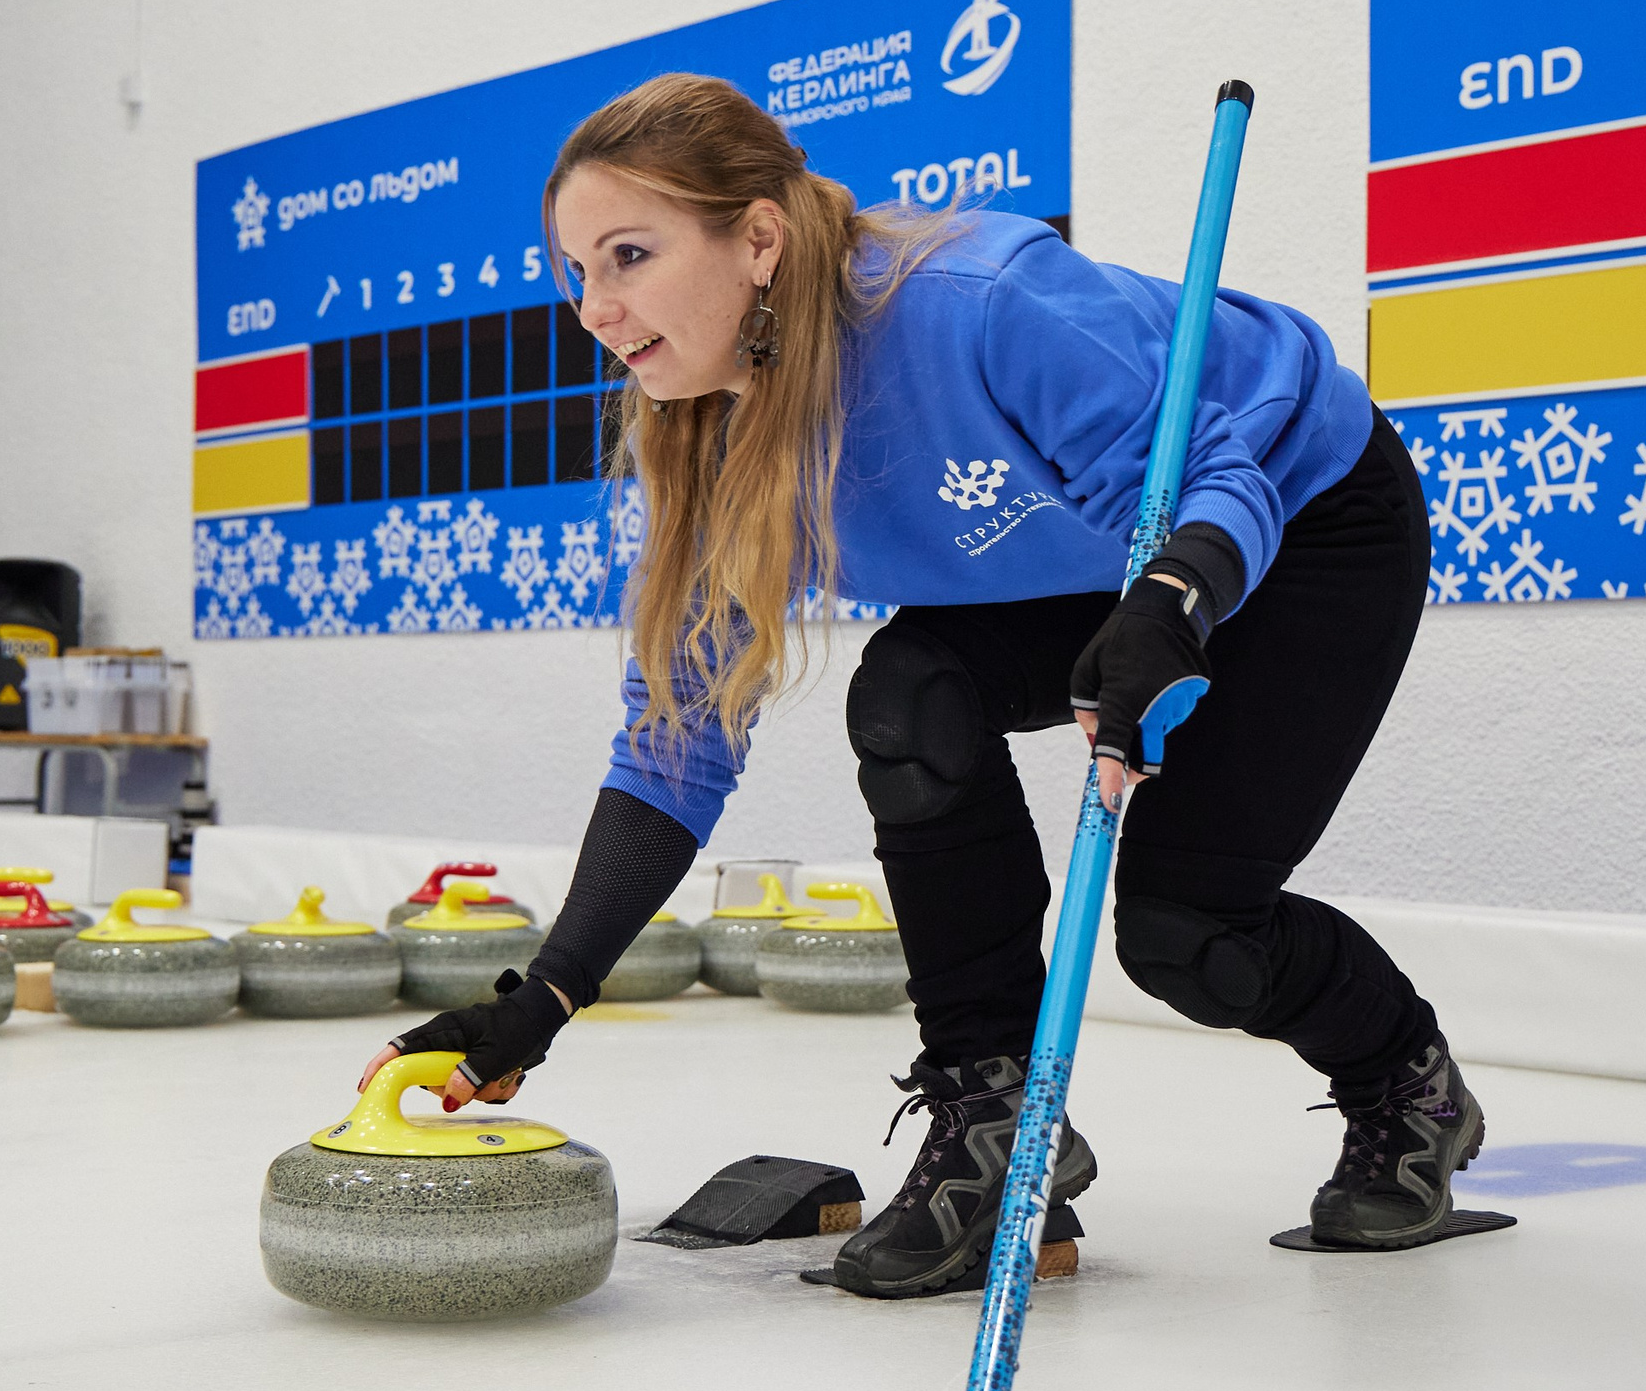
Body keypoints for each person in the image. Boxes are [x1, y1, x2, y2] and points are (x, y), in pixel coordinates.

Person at [361, 73, 1480, 1292]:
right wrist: (545, 995)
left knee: (1190, 938)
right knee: (908, 697)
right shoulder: (712, 436)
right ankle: (995, 1115)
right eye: (576, 272)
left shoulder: (975, 302)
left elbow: (1217, 467)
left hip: (1294, 511)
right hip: (1092, 557)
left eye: (628, 255)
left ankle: (1408, 1087)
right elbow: (675, 749)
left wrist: (1170, 596)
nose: (596, 307)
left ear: (757, 239)